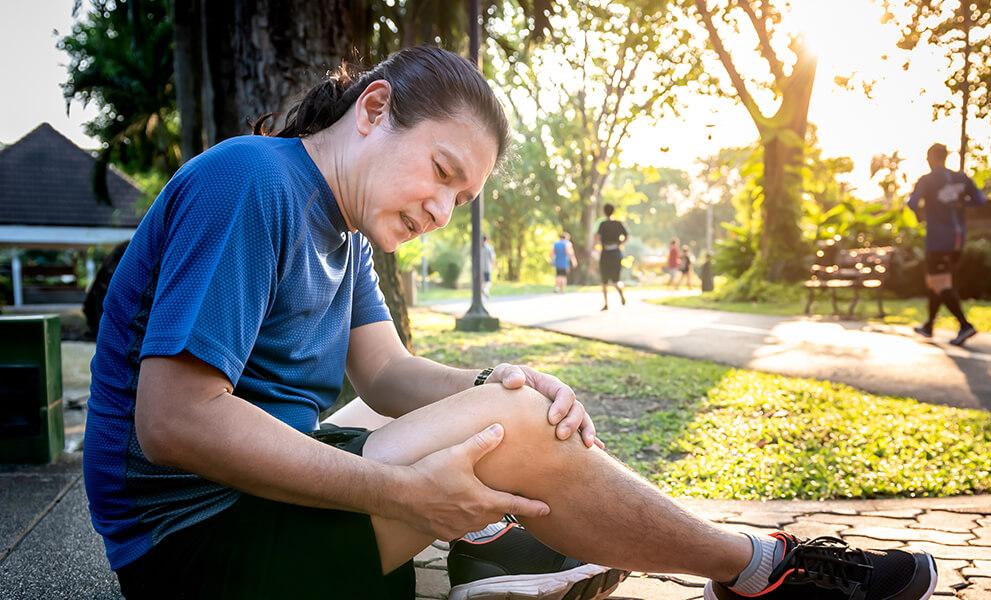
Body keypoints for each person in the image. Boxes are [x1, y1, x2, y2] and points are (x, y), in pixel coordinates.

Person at [84, 46, 937, 600]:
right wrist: (400, 490)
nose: (443, 211)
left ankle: (507, 547)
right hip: (195, 553)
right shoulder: (253, 182)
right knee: (513, 429)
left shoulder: (343, 233)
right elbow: (176, 420)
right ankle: (761, 571)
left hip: (257, 515)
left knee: (516, 409)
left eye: (464, 199)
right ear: (374, 109)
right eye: (443, 172)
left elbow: (386, 375)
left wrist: (503, 380)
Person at [907, 143, 987, 346]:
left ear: (931, 158)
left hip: (938, 239)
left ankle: (964, 325)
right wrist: (960, 203)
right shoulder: (961, 178)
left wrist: (920, 215)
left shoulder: (926, 181)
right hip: (958, 239)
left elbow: (912, 203)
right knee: (937, 282)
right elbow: (980, 200)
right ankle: (929, 325)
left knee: (940, 283)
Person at [594, 203, 629, 311]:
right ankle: (620, 293)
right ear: (613, 211)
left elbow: (597, 237)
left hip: (605, 253)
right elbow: (626, 236)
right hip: (616, 253)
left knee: (604, 281)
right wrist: (620, 244)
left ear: (604, 212)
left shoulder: (602, 224)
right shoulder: (619, 223)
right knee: (615, 280)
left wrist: (601, 244)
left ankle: (606, 304)